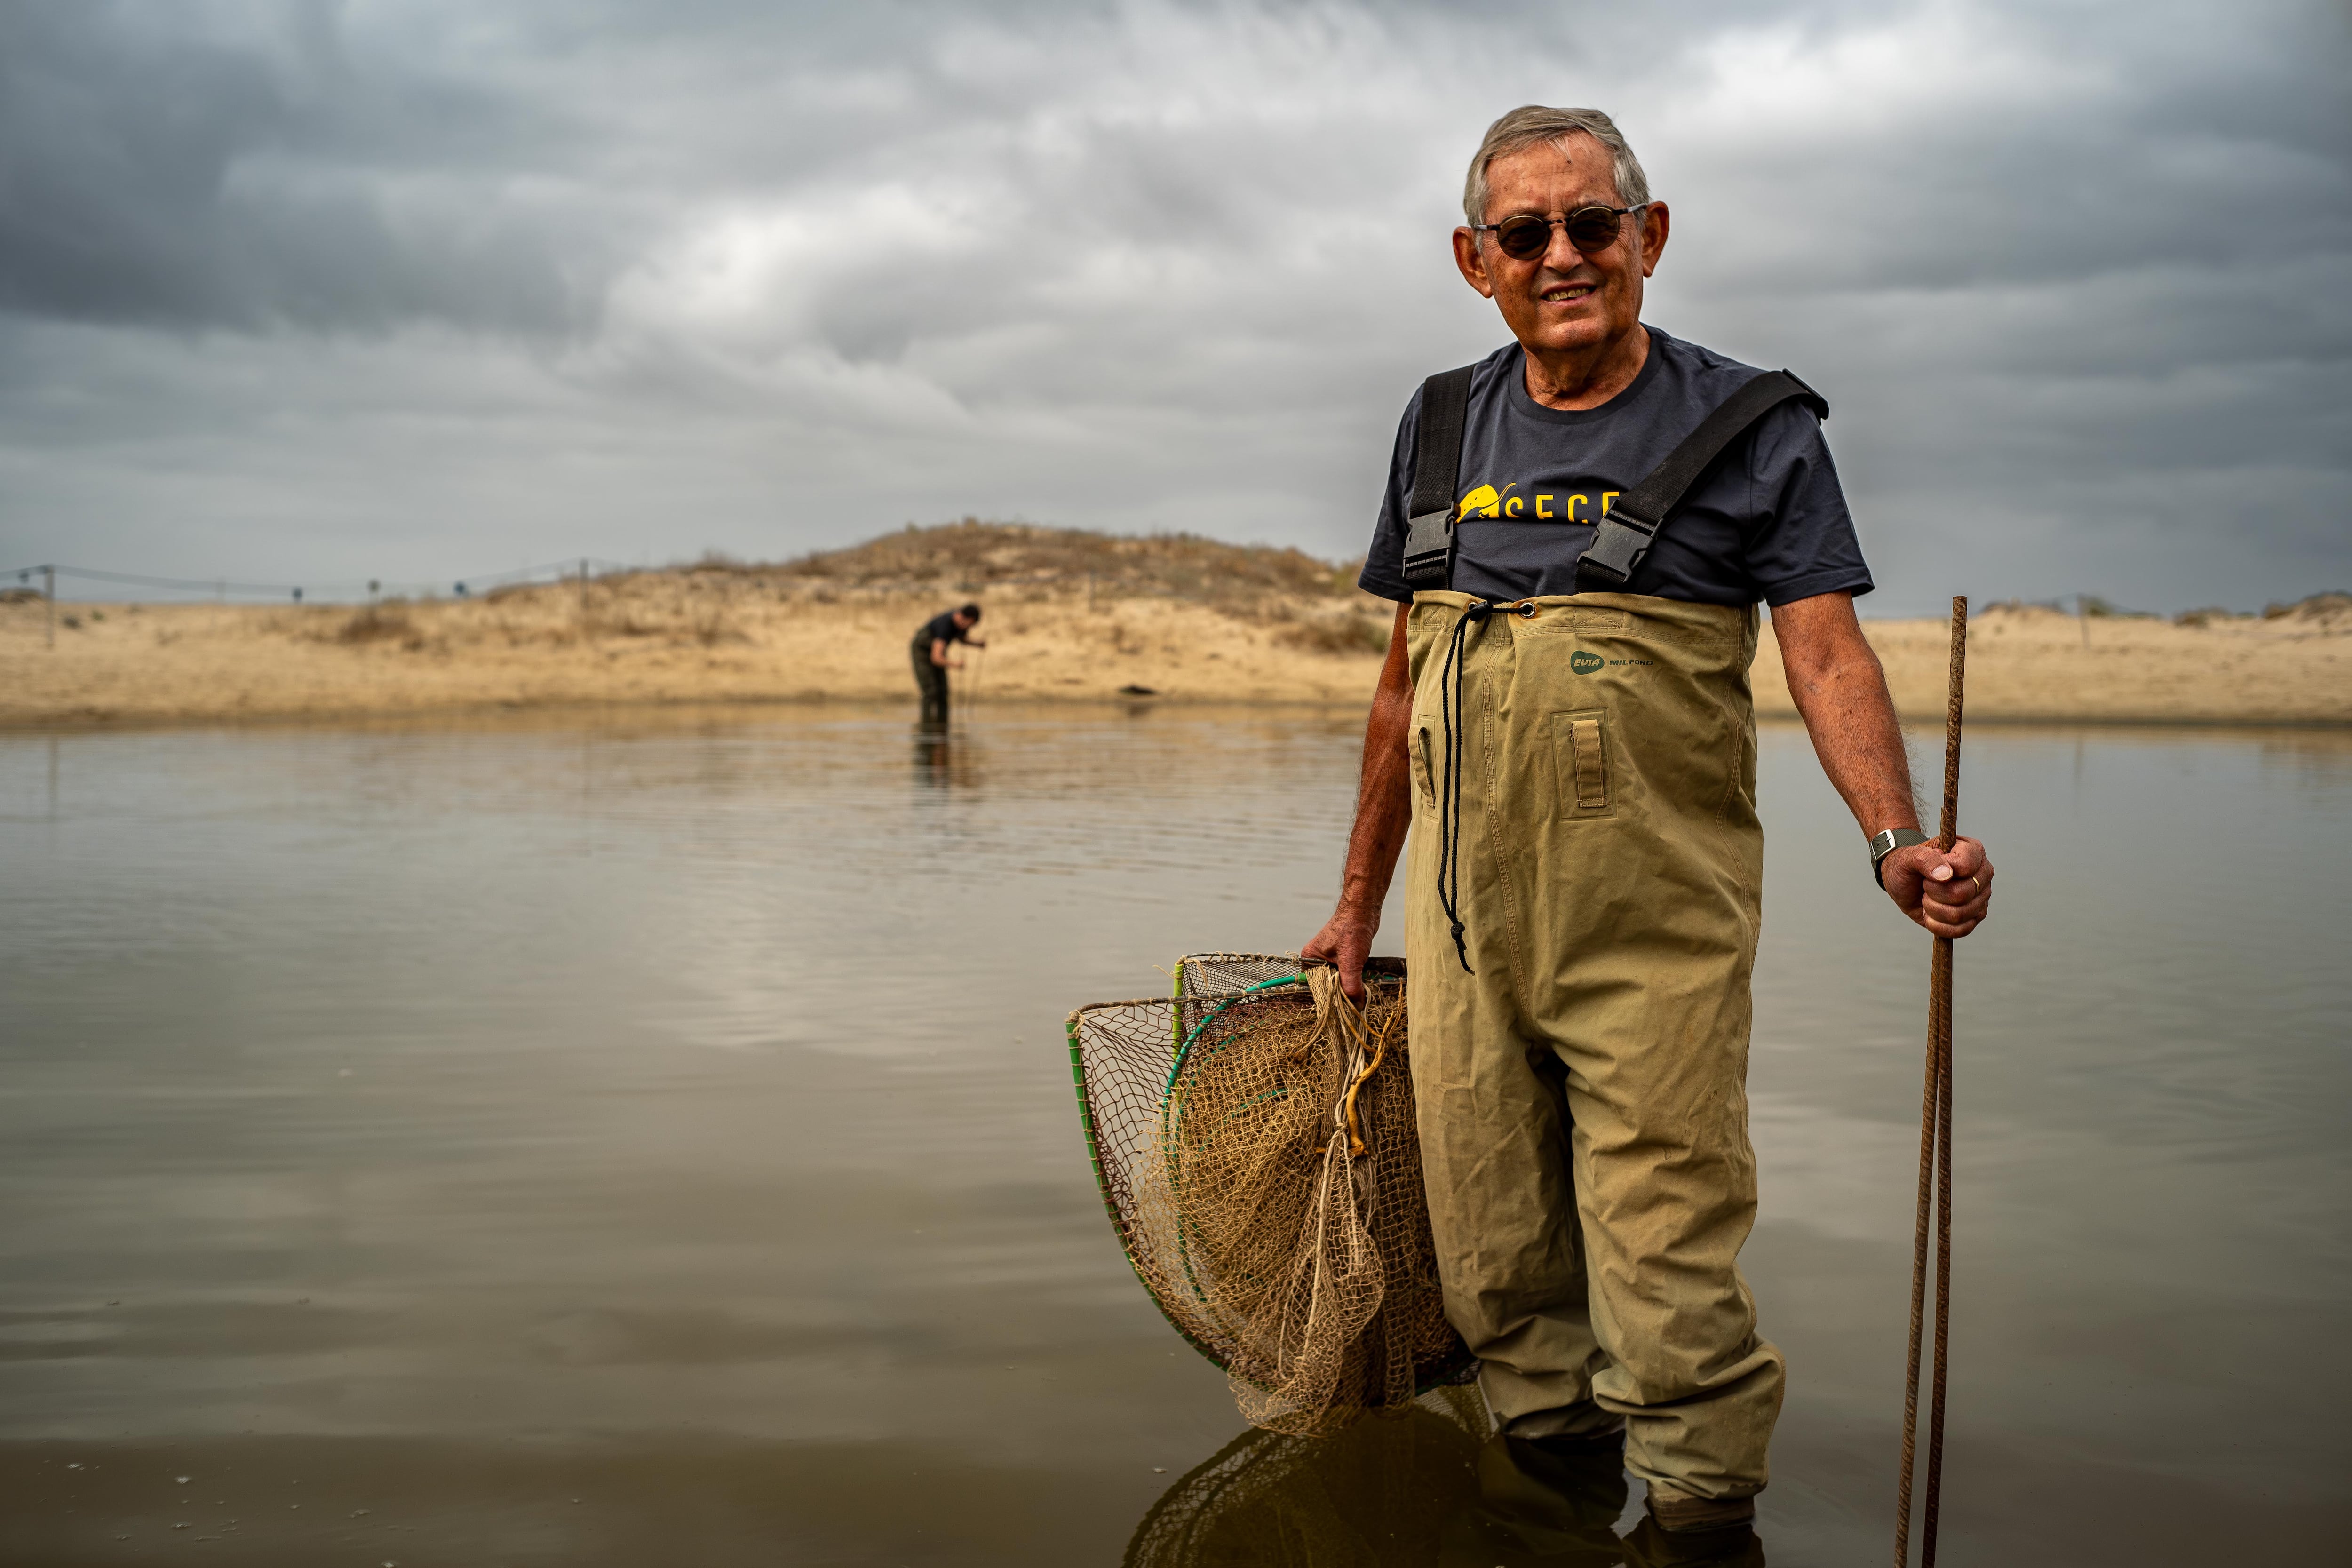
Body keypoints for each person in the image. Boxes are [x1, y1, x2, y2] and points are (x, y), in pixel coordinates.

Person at [1301, 106, 1994, 1538]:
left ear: (1648, 236)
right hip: (1458, 942)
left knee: (1669, 1279)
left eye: (1590, 225)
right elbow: (1394, 694)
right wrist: (1354, 907)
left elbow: (1822, 651)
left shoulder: (1752, 425)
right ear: (1471, 259)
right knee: (1497, 1277)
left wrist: (1893, 838)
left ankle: (1698, 1519)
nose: (1559, 255)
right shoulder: (1436, 424)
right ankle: (1548, 1502)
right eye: (1522, 233)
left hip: (1652, 944)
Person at [910, 602, 984, 724]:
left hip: (937, 653)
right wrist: (955, 664)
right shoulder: (945, 626)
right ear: (964, 618)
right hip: (923, 653)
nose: (967, 629)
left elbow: (961, 638)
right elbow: (936, 658)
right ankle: (927, 727)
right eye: (969, 625)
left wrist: (977, 644)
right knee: (931, 691)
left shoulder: (960, 625)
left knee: (944, 692)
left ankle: (942, 727)